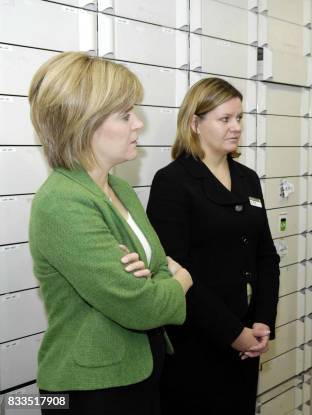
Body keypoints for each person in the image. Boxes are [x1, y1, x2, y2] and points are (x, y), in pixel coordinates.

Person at [28, 52, 193, 415]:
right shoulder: (62, 202)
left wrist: (154, 278)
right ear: (82, 123)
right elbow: (143, 305)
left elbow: (157, 267)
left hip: (139, 373)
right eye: (125, 115)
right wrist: (182, 280)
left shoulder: (120, 190)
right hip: (91, 391)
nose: (138, 125)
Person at [146, 77, 280, 414]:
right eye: (225, 119)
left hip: (247, 336)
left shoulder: (247, 178)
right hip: (198, 339)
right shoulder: (173, 181)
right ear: (195, 123)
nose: (236, 127)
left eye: (239, 118)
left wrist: (263, 319)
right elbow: (174, 272)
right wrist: (234, 333)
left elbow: (266, 255)